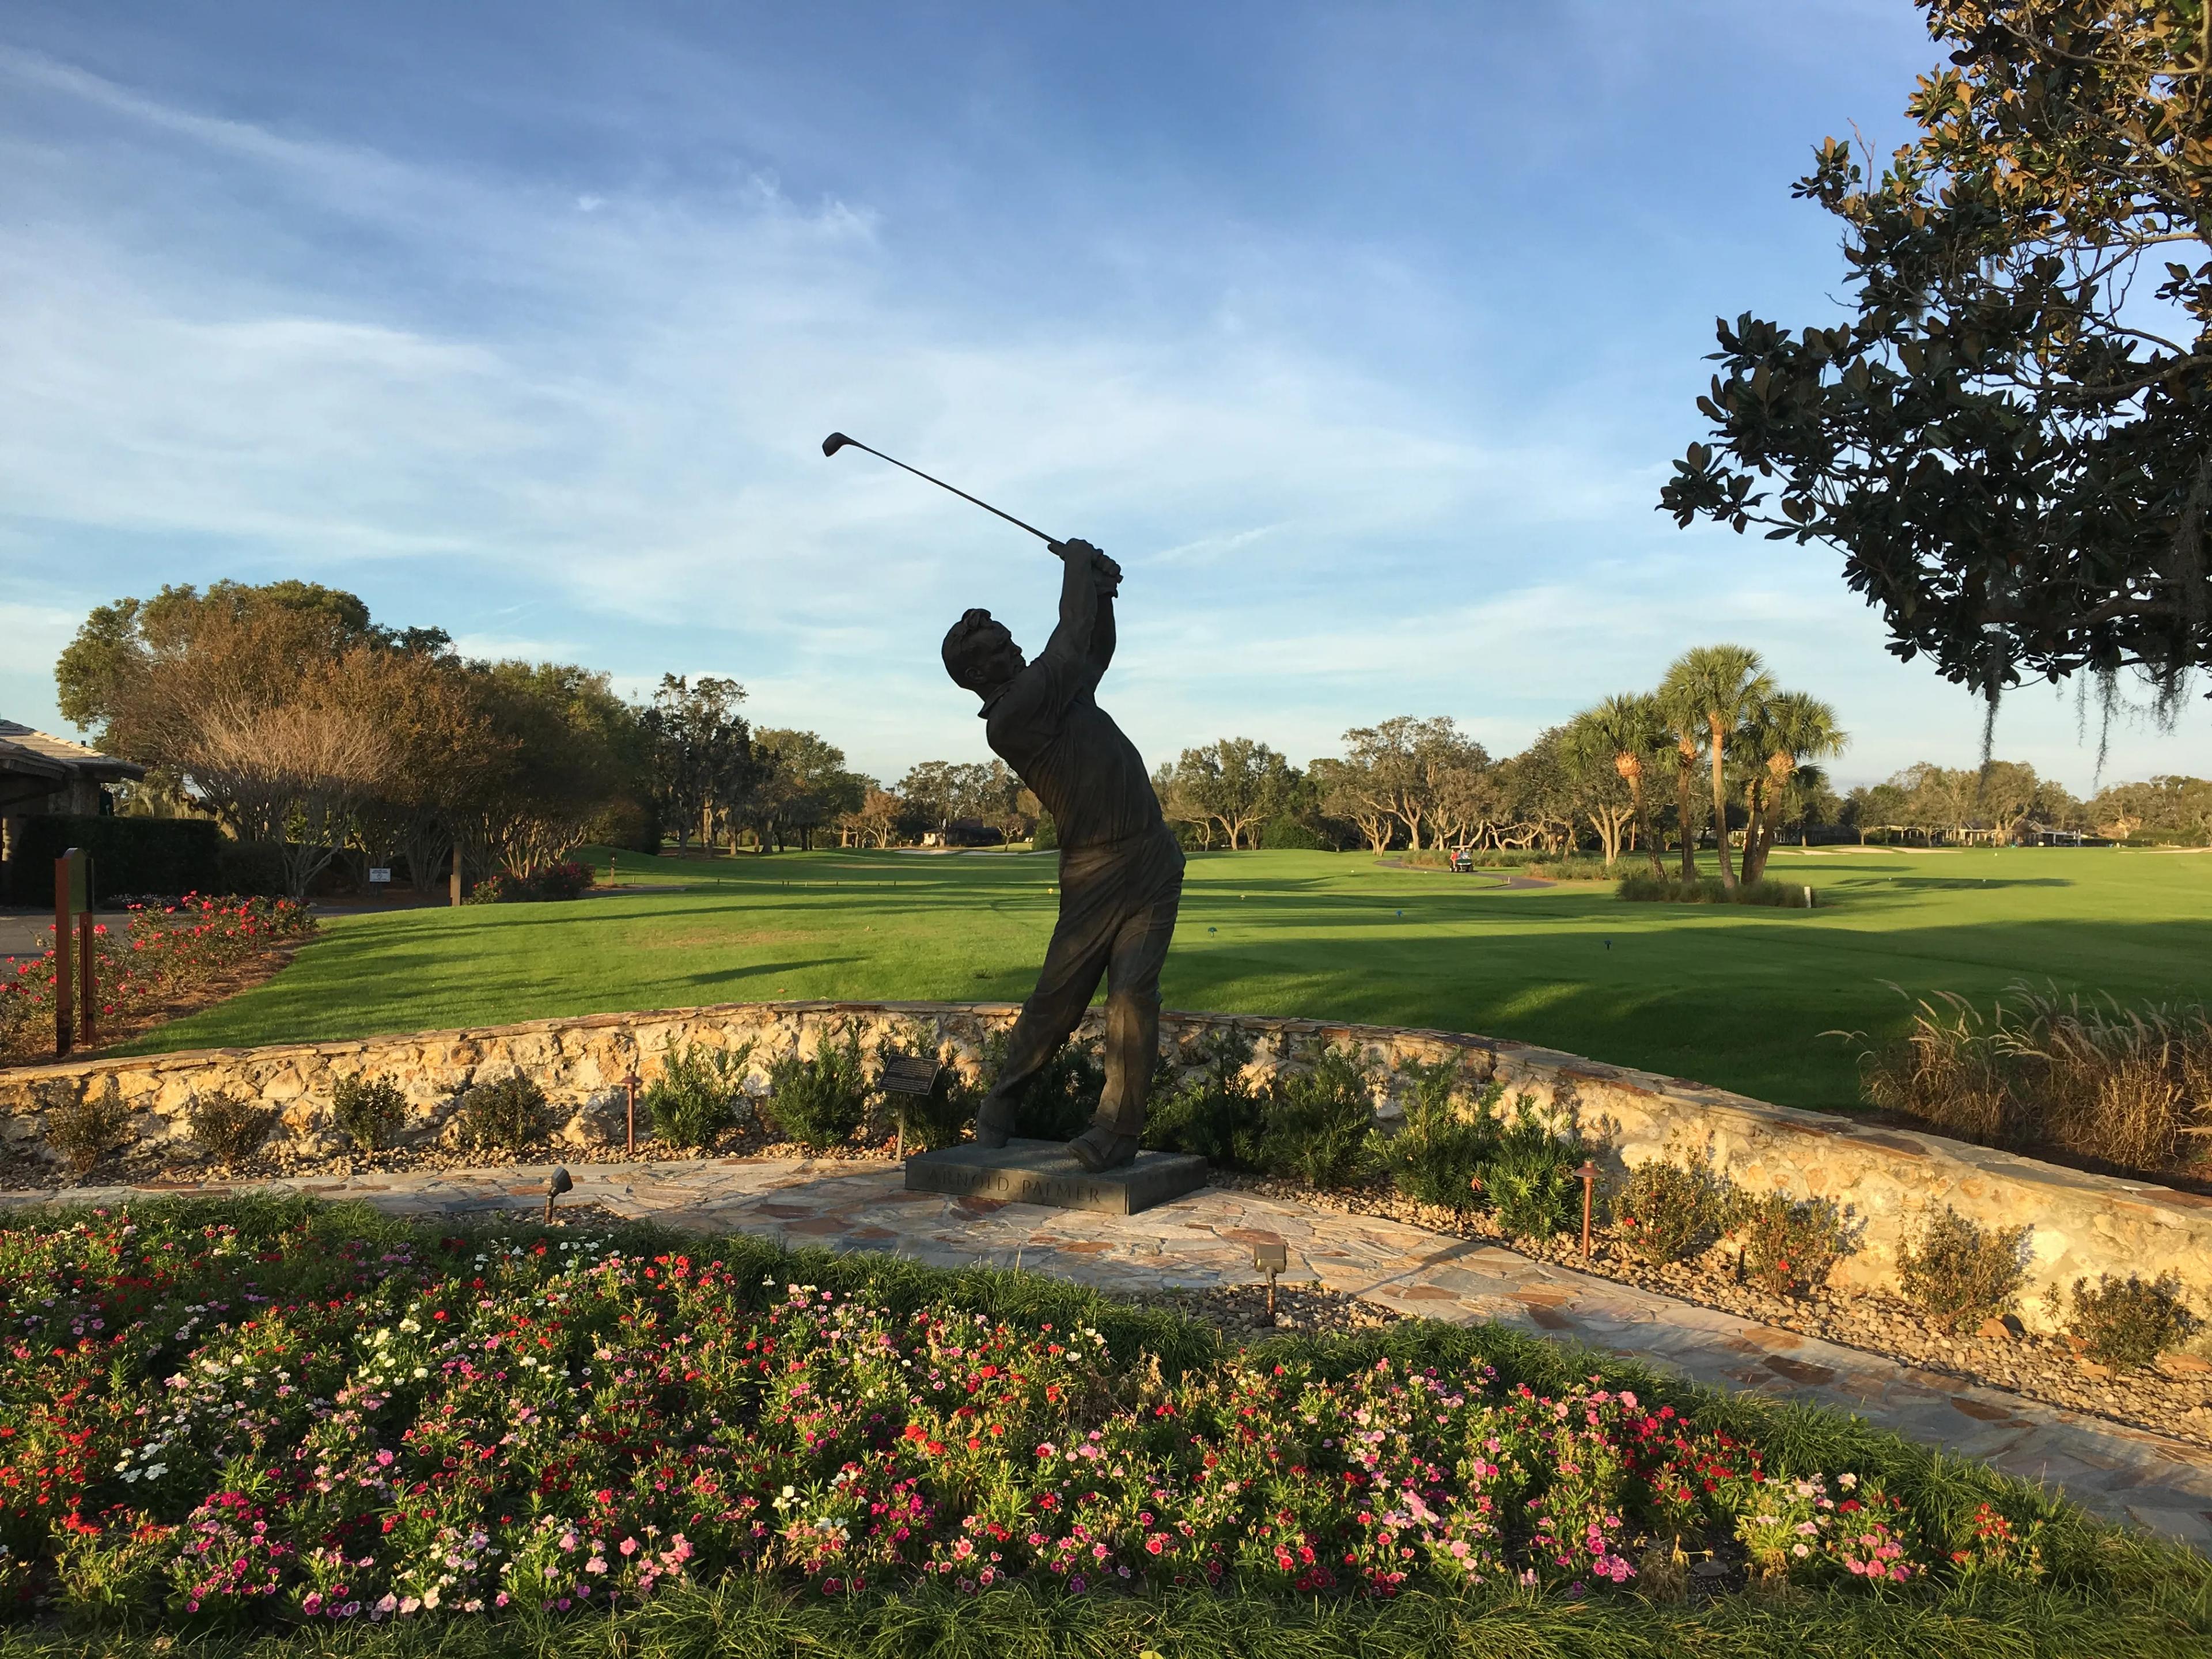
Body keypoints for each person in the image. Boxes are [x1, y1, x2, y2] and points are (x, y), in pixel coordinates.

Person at [939, 539, 1182, 1171]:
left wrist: (1100, 594)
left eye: (1006, 637)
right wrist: (1077, 562)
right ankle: (1001, 1104)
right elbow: (1071, 642)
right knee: (1057, 1001)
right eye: (996, 648)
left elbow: (1092, 649)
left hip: (1153, 856)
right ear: (977, 674)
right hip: (1097, 870)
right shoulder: (1013, 715)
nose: (1011, 648)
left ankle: (1116, 1131)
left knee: (1133, 997)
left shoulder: (1055, 692)